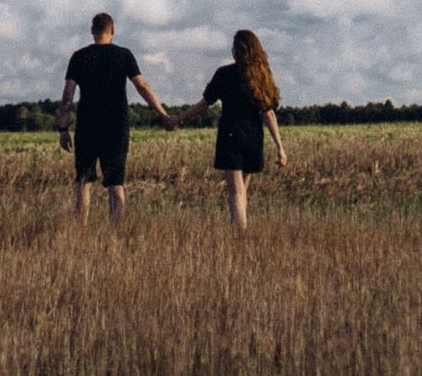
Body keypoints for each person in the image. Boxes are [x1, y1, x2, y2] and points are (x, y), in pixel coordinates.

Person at [58, 12, 176, 225]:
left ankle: (81, 231)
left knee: (84, 180)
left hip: (87, 126)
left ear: (92, 30)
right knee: (116, 182)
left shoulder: (79, 57)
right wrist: (163, 114)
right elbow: (142, 86)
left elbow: (68, 96)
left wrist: (63, 128)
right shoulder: (124, 55)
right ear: (112, 31)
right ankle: (117, 232)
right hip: (116, 126)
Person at [177, 28, 287, 230]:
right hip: (254, 137)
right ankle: (239, 230)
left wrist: (179, 118)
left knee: (236, 192)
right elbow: (268, 114)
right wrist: (280, 146)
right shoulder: (261, 77)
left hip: (230, 135)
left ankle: (239, 237)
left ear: (236, 50)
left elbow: (204, 104)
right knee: (242, 190)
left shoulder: (224, 74)